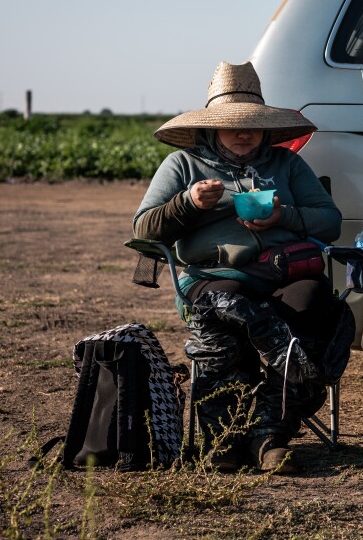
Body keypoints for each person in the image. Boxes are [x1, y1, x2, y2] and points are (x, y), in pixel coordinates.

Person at [133, 61, 348, 473]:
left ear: (266, 126)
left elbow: (330, 221)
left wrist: (282, 217)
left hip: (281, 272)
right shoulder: (182, 166)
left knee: (315, 299)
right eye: (233, 124)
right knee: (227, 305)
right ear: (212, 127)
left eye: (252, 123)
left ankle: (270, 433)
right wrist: (188, 204)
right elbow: (143, 227)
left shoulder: (286, 165)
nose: (244, 133)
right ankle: (223, 437)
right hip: (212, 278)